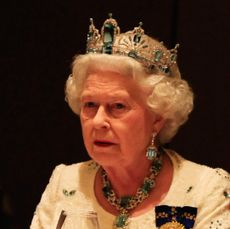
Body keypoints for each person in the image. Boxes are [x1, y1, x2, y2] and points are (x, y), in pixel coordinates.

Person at [30, 14, 230, 229]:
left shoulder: (206, 189)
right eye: (90, 105)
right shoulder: (65, 182)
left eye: (118, 106)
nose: (98, 121)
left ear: (158, 117)